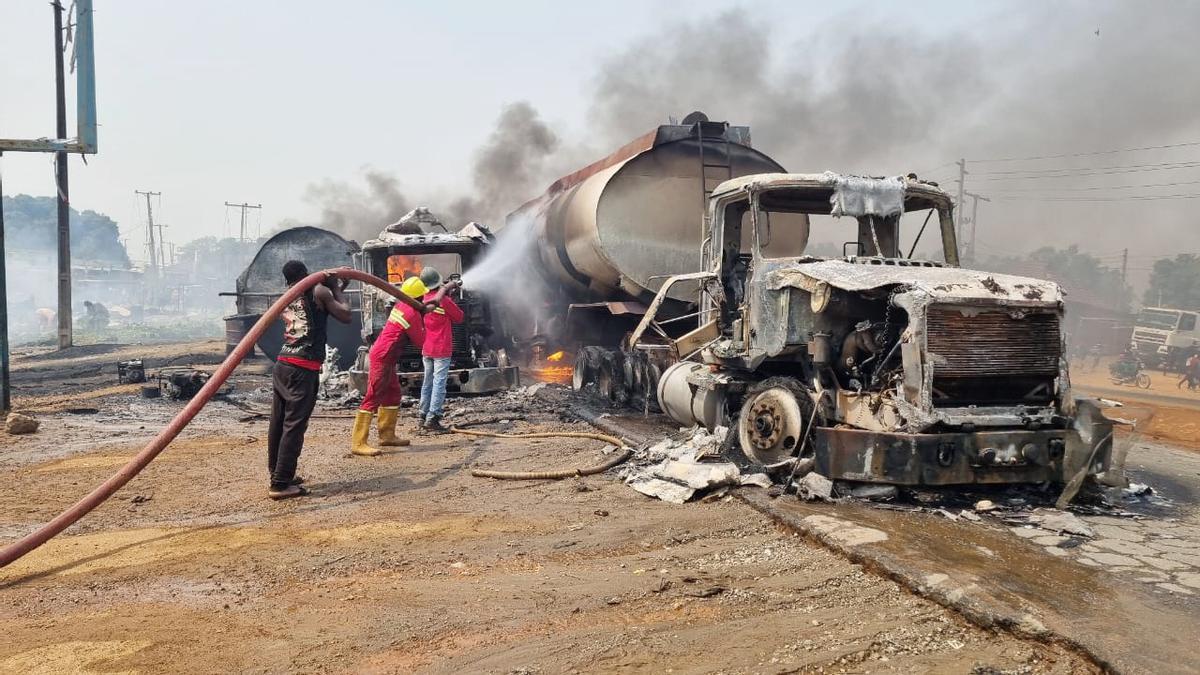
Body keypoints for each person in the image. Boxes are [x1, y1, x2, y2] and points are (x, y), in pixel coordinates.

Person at [267, 261, 352, 500]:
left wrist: (334, 287)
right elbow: (345, 315)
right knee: (294, 425)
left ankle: (278, 473)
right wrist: (336, 289)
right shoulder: (318, 291)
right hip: (302, 367)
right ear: (306, 273)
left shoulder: (288, 294)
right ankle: (281, 484)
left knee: (279, 423)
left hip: (283, 362)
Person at [352, 276, 428, 456]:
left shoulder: (402, 306)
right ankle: (359, 442)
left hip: (386, 356)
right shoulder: (411, 313)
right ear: (418, 298)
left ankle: (387, 435)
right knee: (373, 395)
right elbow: (421, 341)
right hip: (383, 357)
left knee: (393, 394)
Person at [418, 267, 464, 432]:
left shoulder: (424, 298)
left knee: (427, 382)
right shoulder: (443, 301)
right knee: (439, 383)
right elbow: (459, 317)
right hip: (441, 349)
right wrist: (450, 298)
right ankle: (433, 418)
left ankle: (422, 415)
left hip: (427, 348)